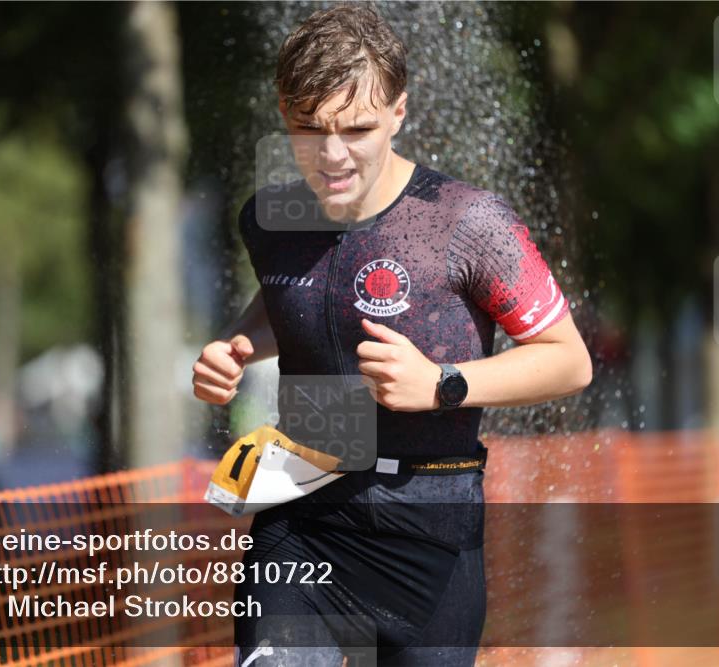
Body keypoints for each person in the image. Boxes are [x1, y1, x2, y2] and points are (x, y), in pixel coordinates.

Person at [191, 5, 593, 666]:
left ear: (399, 113)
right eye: (309, 130)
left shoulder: (468, 221)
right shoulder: (269, 218)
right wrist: (235, 345)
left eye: (358, 129)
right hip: (301, 514)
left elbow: (568, 360)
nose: (334, 154)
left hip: (429, 528)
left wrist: (441, 382)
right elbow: (293, 290)